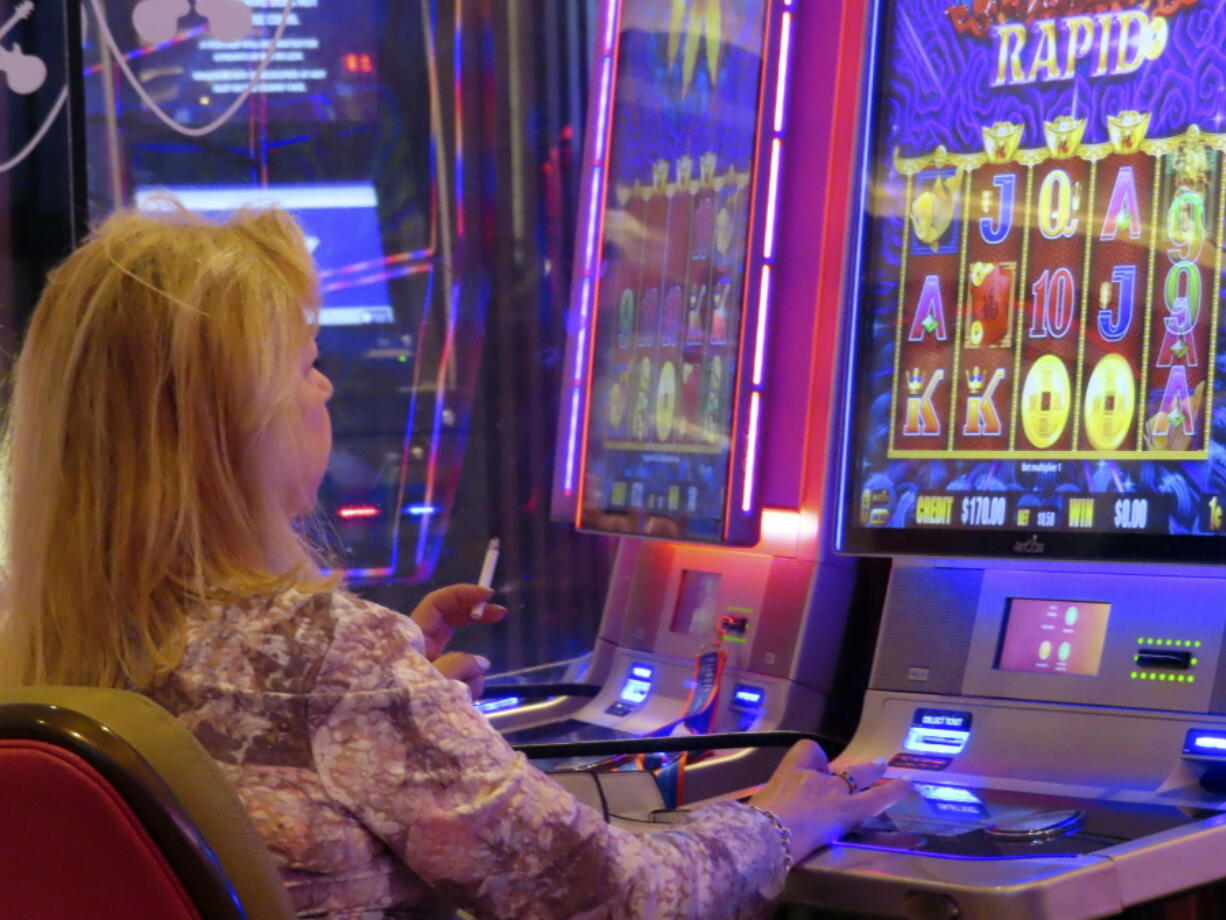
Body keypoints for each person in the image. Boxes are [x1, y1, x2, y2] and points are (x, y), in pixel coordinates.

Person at [0, 203, 908, 919]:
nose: (324, 390)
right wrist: (781, 822)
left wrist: (408, 697)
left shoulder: (36, 647)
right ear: (228, 426)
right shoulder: (330, 661)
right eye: (307, 365)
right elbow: (618, 896)